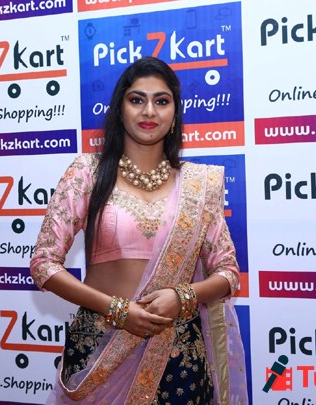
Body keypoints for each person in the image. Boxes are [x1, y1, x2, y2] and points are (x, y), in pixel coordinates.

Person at [30, 56, 248, 404]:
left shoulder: (196, 185)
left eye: (161, 101)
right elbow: (44, 264)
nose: (149, 111)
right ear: (120, 110)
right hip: (101, 345)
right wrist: (118, 310)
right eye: (137, 100)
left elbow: (228, 273)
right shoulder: (88, 173)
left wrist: (182, 297)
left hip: (178, 355)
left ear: (174, 114)